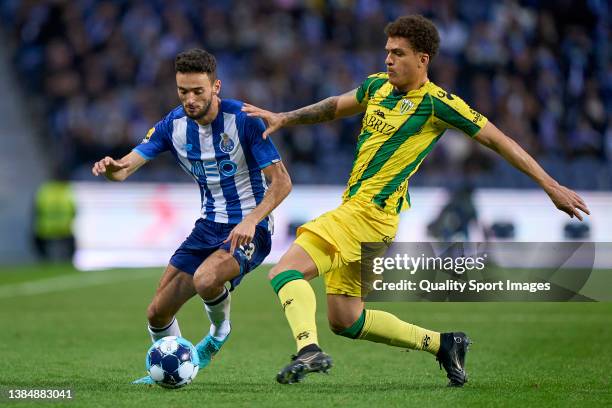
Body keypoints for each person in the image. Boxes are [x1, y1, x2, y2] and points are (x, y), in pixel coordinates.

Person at [242, 15, 590, 386]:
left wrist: (550, 185)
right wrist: (284, 118)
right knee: (347, 319)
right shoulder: (376, 87)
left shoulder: (439, 103)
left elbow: (499, 141)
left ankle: (308, 349)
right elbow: (333, 106)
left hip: (368, 213)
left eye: (399, 53)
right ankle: (444, 343)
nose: (389, 60)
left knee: (285, 271)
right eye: (387, 52)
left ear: (423, 59)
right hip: (369, 217)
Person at [92, 48, 292, 384]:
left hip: (251, 228)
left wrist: (251, 220)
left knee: (205, 278)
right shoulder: (173, 125)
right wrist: (112, 168)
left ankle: (218, 333)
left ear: (216, 87)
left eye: (198, 91)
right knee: (157, 312)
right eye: (183, 91)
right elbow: (126, 168)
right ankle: (171, 373)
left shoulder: (243, 120)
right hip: (208, 225)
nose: (190, 99)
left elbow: (282, 182)